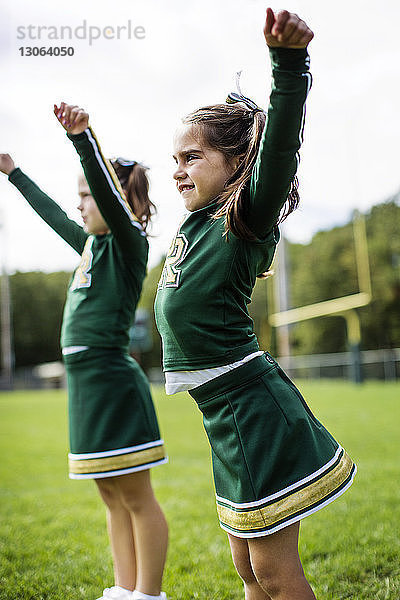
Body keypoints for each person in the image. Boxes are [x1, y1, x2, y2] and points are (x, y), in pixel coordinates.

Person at [155, 8, 356, 600]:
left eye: (192, 157)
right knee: (246, 570)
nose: (178, 169)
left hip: (253, 410)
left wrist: (288, 65)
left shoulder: (243, 218)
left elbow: (279, 149)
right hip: (221, 416)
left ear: (237, 161)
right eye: (175, 160)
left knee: (271, 570)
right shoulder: (192, 226)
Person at [0, 104, 168, 600]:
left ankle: (149, 594)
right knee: (110, 495)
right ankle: (123, 589)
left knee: (136, 496)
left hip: (114, 382)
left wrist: (81, 138)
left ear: (114, 199)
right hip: (85, 386)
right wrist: (14, 174)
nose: (79, 206)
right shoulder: (90, 246)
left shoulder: (127, 242)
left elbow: (109, 199)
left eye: (87, 197)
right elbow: (52, 213)